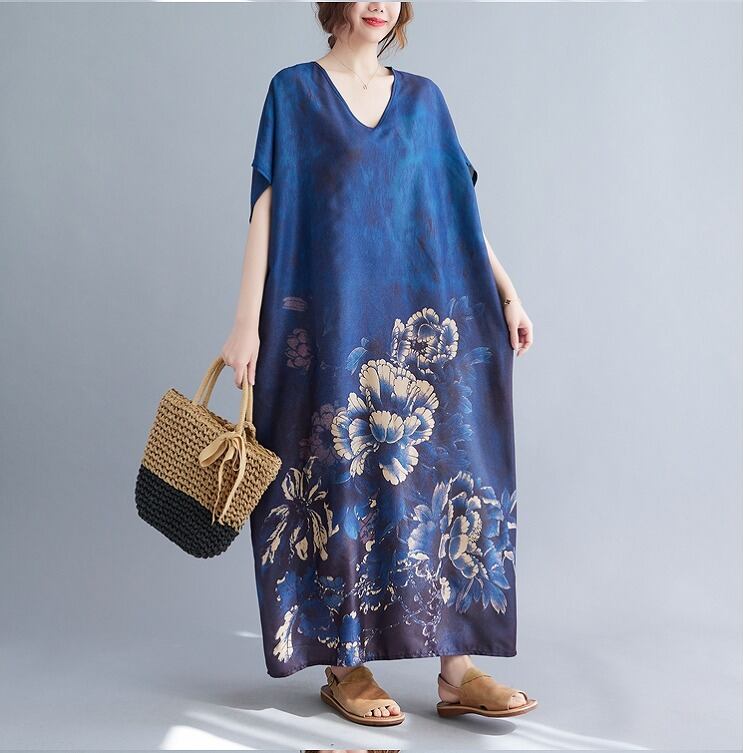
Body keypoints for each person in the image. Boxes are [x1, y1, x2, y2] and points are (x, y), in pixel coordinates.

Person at [220, 1, 536, 726]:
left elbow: (458, 212)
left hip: (420, 329)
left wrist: (508, 292)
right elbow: (266, 207)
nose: (380, 3)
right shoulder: (293, 93)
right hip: (330, 328)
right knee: (334, 481)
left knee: (445, 480)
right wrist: (244, 323)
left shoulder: (425, 101)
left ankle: (456, 668)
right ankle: (345, 663)